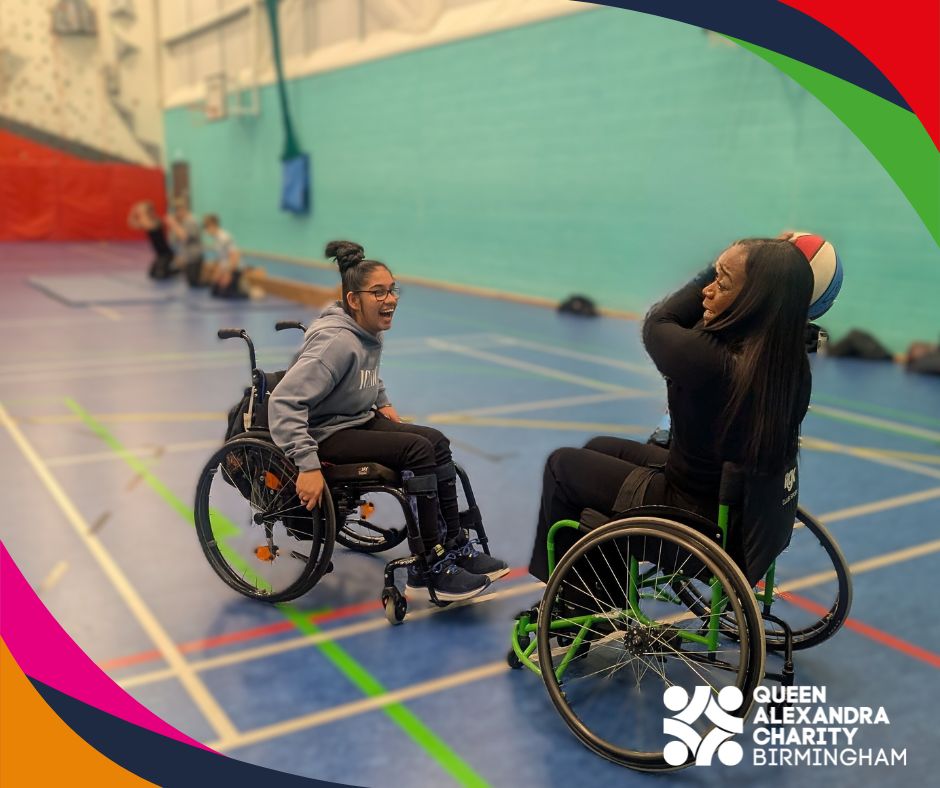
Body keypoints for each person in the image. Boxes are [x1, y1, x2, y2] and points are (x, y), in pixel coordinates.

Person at [529, 237, 815, 582]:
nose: (707, 291)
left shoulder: (710, 361)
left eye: (721, 283)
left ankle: (575, 603)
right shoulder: (787, 360)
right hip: (742, 513)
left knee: (562, 466)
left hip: (692, 516)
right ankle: (601, 581)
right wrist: (753, 259)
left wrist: (718, 263)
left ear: (755, 302)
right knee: (598, 448)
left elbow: (660, 321)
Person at [269, 240, 509, 601]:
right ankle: (428, 566)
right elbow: (284, 403)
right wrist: (307, 465)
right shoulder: (336, 342)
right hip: (325, 434)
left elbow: (365, 374)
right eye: (378, 292)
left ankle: (454, 544)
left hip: (356, 420)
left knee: (437, 441)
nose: (390, 299)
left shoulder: (365, 333)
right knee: (415, 450)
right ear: (354, 300)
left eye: (392, 290)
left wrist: (382, 402)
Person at [202, 214, 247, 299]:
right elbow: (222, 260)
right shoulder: (216, 239)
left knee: (226, 294)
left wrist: (228, 275)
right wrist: (216, 276)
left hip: (235, 268)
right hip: (226, 268)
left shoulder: (224, 237)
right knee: (214, 291)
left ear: (213, 225)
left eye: (206, 227)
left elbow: (235, 256)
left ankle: (249, 293)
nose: (205, 230)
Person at [128, 201, 175, 280]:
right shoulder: (146, 222)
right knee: (152, 274)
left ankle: (177, 268)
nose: (142, 213)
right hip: (159, 255)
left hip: (166, 254)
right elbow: (131, 224)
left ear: (149, 212)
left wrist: (140, 212)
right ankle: (170, 267)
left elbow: (147, 224)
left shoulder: (156, 221)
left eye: (143, 212)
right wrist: (133, 211)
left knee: (160, 275)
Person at [165, 198, 205, 286]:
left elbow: (184, 237)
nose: (176, 214)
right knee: (189, 280)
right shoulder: (183, 222)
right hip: (188, 255)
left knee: (193, 282)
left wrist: (173, 224)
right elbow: (174, 240)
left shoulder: (191, 221)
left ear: (183, 210)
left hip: (194, 256)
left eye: (177, 211)